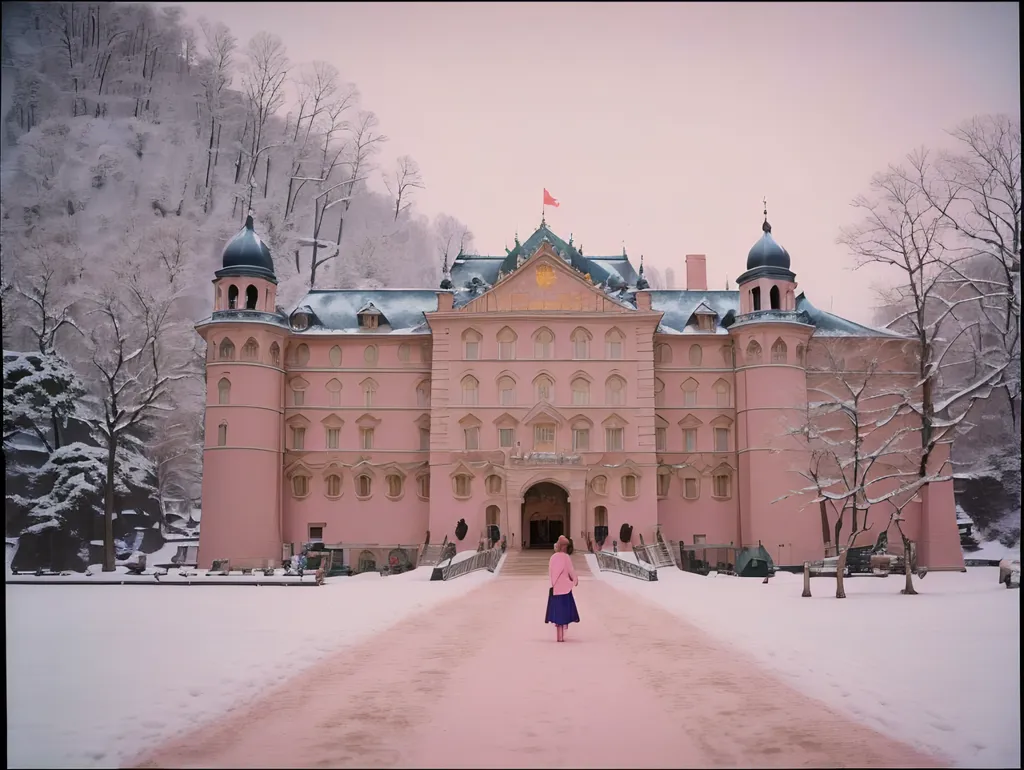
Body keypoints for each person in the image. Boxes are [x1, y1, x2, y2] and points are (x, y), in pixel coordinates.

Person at [545, 535, 580, 642]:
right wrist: (575, 580)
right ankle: (561, 636)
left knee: (557, 613)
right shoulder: (566, 557)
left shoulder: (553, 557)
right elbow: (571, 570)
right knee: (564, 612)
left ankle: (559, 635)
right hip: (565, 589)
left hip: (556, 589)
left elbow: (551, 572)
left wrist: (553, 583)